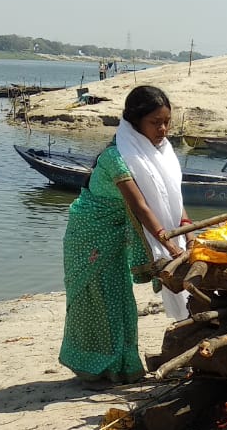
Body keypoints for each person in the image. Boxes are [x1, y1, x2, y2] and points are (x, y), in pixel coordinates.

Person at [59, 85, 190, 384]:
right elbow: (141, 206)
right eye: (155, 122)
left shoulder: (162, 155)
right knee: (97, 300)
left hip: (117, 234)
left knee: (120, 300)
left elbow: (174, 202)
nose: (163, 129)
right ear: (134, 122)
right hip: (90, 236)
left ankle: (121, 366)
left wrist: (190, 235)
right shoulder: (117, 158)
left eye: (166, 121)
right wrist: (173, 248)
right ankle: (93, 367)